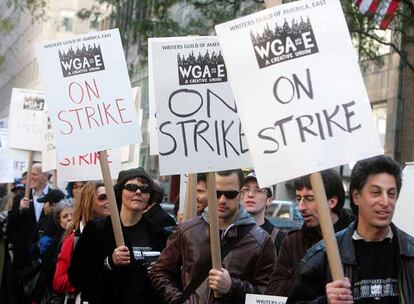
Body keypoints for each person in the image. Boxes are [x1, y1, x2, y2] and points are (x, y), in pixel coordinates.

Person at [287, 155, 414, 303]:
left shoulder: (410, 254)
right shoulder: (322, 258)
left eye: (391, 194)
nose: (385, 202)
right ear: (356, 196)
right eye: (376, 192)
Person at [150, 169, 275, 304]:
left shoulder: (260, 241)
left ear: (241, 194)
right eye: (216, 193)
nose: (222, 200)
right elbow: (160, 271)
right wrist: (178, 300)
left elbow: (269, 294)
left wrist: (232, 287)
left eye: (230, 194)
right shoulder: (187, 231)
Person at [68, 168, 170, 304]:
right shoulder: (97, 230)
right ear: (119, 192)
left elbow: (168, 283)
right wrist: (110, 262)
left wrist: (158, 272)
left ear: (149, 197)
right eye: (131, 187)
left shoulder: (160, 235)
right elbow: (77, 277)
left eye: (145, 189)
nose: (138, 192)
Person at [267, 169, 354, 297]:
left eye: (309, 198)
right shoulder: (293, 242)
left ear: (332, 202)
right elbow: (274, 290)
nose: (301, 207)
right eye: (298, 198)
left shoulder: (354, 238)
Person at [53, 181, 110, 301]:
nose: (109, 202)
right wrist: (86, 278)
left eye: (111, 196)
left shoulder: (119, 232)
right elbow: (58, 282)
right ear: (88, 202)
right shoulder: (73, 239)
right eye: (103, 197)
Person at [8, 163, 50, 303]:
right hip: (23, 258)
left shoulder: (55, 196)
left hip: (45, 256)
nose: (31, 177)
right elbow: (11, 224)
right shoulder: (20, 197)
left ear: (45, 175)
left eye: (34, 174)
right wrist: (19, 210)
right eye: (29, 174)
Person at [240, 172, 285, 255]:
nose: (250, 195)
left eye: (258, 190)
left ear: (269, 200)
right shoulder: (230, 231)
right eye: (246, 189)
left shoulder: (278, 238)